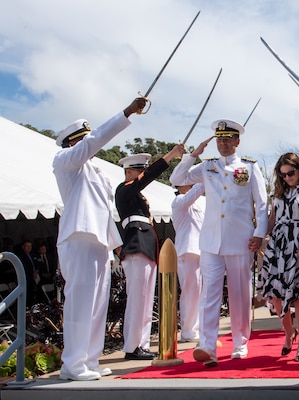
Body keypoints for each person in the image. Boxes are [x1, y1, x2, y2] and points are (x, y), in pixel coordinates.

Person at [53, 96, 147, 381]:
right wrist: (127, 113)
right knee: (80, 302)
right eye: (81, 141)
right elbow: (95, 140)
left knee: (97, 304)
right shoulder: (65, 162)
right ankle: (72, 363)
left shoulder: (97, 172)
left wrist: (113, 246)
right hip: (78, 237)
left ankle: (90, 360)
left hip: (99, 241)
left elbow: (106, 211)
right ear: (73, 143)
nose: (88, 146)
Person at [170, 119, 268, 367]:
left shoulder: (248, 167)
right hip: (211, 241)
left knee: (239, 295)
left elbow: (262, 203)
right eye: (219, 139)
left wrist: (259, 233)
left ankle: (240, 342)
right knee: (209, 294)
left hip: (240, 240)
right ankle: (207, 345)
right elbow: (176, 179)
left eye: (227, 139)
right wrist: (193, 155)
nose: (223, 143)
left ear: (237, 141)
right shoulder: (206, 167)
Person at [115, 147, 184, 360]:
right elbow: (145, 179)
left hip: (145, 248)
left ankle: (140, 344)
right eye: (139, 171)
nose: (142, 174)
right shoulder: (123, 189)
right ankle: (133, 346)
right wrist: (170, 157)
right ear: (129, 172)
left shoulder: (135, 194)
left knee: (145, 300)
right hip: (136, 247)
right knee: (138, 299)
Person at [258, 152, 299, 362]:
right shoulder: (277, 192)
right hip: (278, 244)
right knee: (275, 292)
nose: (287, 177)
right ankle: (288, 331)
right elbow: (272, 219)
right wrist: (259, 238)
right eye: (283, 174)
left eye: (291, 173)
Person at [171, 183, 206, 343]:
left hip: (201, 250)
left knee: (200, 292)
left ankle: (197, 328)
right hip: (188, 250)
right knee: (190, 292)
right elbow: (192, 195)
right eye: (189, 184)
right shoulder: (179, 200)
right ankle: (188, 330)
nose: (192, 186)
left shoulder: (200, 202)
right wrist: (206, 178)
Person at [15, 239, 39, 307]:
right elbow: (24, 267)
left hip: (33, 279)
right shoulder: (20, 256)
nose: (29, 248)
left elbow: (37, 264)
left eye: (30, 246)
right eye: (27, 246)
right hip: (25, 278)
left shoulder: (32, 255)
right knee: (26, 296)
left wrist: (36, 271)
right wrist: (31, 273)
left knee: (31, 295)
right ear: (23, 247)